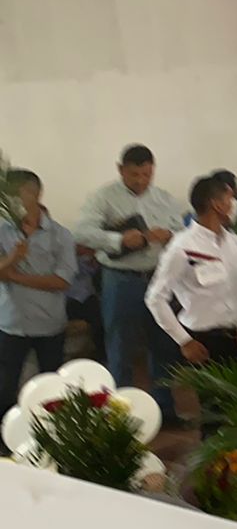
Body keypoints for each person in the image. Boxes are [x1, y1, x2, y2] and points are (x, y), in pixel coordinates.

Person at [76, 145, 186, 425]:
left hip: (158, 278)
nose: (140, 181)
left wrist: (170, 235)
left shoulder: (164, 198)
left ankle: (165, 410)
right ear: (120, 169)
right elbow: (83, 233)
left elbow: (183, 232)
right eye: (134, 174)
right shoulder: (103, 197)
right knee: (120, 346)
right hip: (121, 280)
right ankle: (120, 412)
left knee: (163, 345)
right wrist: (119, 240)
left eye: (147, 174)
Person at [145, 175, 237, 431]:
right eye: (230, 199)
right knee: (216, 418)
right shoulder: (182, 247)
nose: (235, 205)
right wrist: (184, 340)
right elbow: (155, 297)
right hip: (208, 343)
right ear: (216, 204)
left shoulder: (236, 243)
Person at [0, 171, 77, 419]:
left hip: (49, 323)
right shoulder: (3, 230)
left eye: (18, 193)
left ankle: (50, 432)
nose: (13, 200)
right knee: (5, 387)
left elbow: (61, 281)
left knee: (51, 388)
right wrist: (12, 258)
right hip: (11, 323)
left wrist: (14, 276)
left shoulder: (61, 235)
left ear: (36, 194)